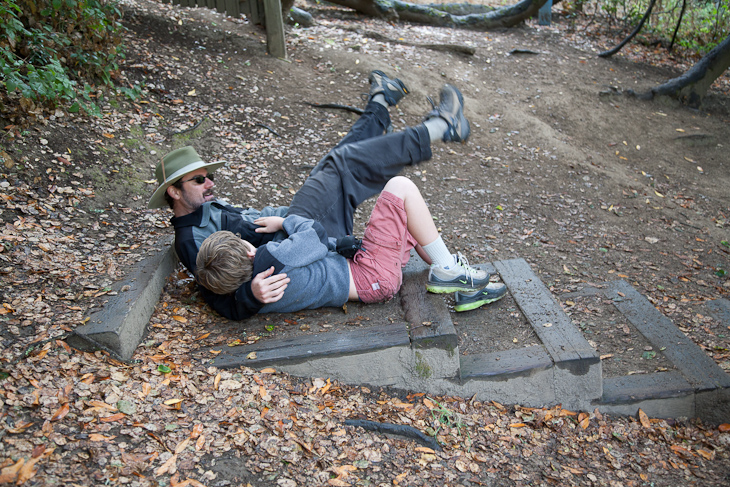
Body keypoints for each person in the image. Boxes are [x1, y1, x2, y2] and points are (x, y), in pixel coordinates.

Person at [149, 71, 472, 320]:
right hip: (298, 246)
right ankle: (439, 127)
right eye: (199, 180)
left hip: (299, 241)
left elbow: (249, 230)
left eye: (210, 177)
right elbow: (217, 289)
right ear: (174, 191)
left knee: (336, 163)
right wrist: (251, 294)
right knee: (340, 165)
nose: (210, 184)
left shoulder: (203, 209)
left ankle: (381, 103)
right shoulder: (192, 240)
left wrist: (280, 217)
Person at [196, 176, 507, 313]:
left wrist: (249, 295)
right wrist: (285, 222)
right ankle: (448, 269)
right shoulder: (274, 259)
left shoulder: (249, 290)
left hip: (367, 275)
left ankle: (463, 286)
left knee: (408, 221)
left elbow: (217, 296)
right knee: (400, 189)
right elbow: (314, 234)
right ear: (250, 250)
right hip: (373, 276)